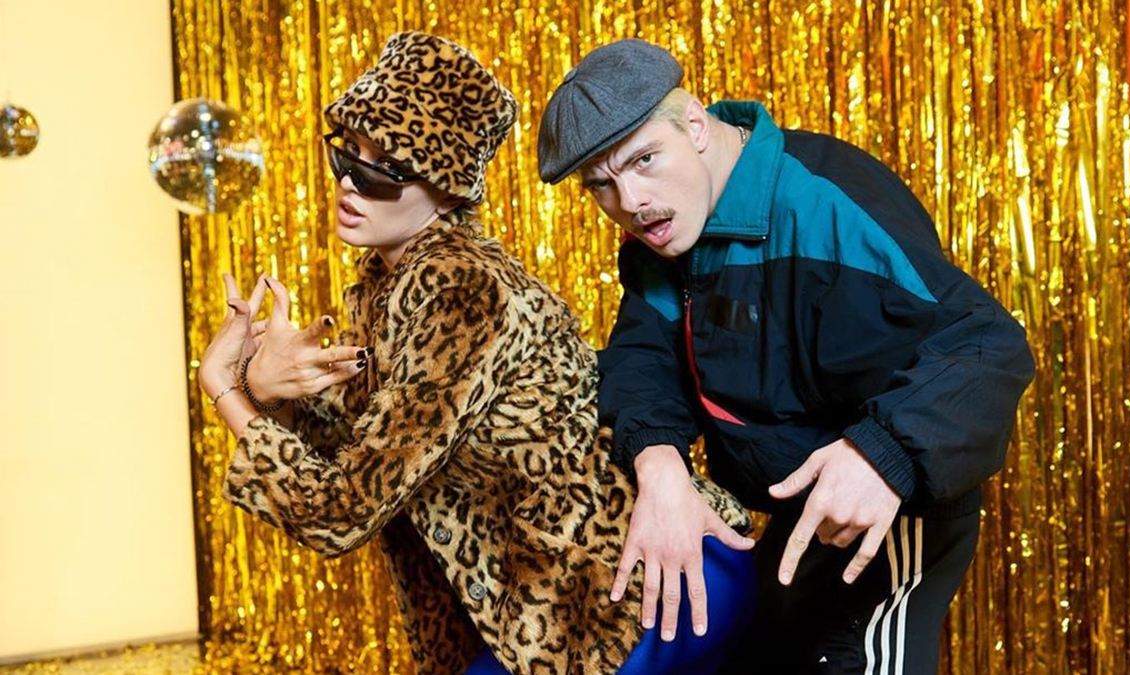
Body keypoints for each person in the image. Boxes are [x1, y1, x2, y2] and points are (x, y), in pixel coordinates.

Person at [196, 31, 757, 675]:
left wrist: (225, 387)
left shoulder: (462, 293)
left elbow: (344, 506)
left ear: (445, 188)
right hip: (559, 613)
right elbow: (365, 451)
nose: (351, 183)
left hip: (639, 597)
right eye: (346, 155)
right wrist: (267, 389)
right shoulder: (387, 286)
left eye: (384, 169)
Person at [536, 39, 1036, 673]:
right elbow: (643, 355)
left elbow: (986, 343)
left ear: (694, 125)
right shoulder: (665, 231)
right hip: (795, 515)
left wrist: (883, 455)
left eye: (644, 160)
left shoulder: (827, 206)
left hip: (891, 511)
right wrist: (659, 463)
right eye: (601, 186)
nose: (630, 202)